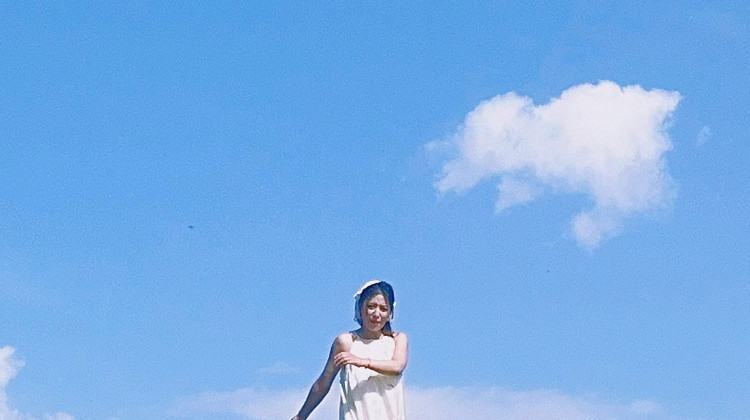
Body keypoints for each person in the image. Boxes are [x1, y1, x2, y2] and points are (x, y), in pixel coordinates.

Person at [291, 280, 408, 420]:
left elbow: (397, 366)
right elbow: (323, 383)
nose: (376, 314)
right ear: (360, 307)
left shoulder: (397, 340)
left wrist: (361, 361)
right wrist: (301, 416)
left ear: (390, 313)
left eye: (383, 309)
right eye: (371, 307)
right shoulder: (346, 342)